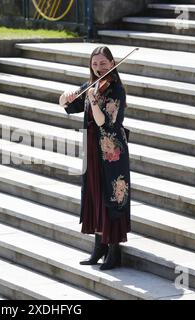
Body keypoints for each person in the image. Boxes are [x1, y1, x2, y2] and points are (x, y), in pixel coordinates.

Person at [59, 46, 131, 270]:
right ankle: (99, 245)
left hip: (111, 151)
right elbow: (69, 107)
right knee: (95, 193)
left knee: (112, 195)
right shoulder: (91, 86)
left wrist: (93, 100)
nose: (98, 68)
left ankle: (114, 250)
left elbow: (104, 123)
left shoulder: (115, 90)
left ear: (112, 63)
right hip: (92, 148)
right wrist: (64, 97)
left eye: (103, 63)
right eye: (94, 64)